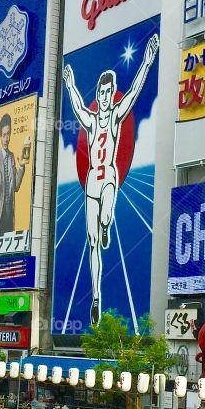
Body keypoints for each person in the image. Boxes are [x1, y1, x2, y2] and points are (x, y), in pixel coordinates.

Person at [61, 31, 158, 326]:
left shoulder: (115, 117)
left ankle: (106, 224)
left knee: (105, 216)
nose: (104, 98)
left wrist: (148, 60)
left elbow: (135, 91)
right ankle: (96, 298)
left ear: (112, 92)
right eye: (101, 93)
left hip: (109, 177)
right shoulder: (91, 121)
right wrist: (70, 84)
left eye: (108, 93)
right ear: (98, 94)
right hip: (92, 182)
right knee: (93, 243)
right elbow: (78, 106)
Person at [0, 114, 27, 238]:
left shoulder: (12, 157)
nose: (6, 139)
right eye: (4, 135)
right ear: (0, 136)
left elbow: (16, 187)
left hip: (9, 215)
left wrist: (21, 167)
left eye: (8, 134)